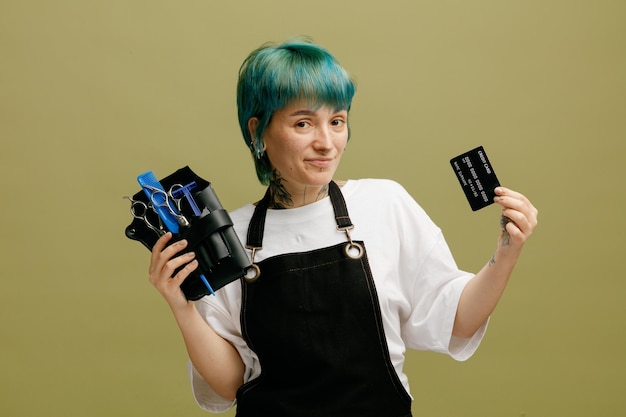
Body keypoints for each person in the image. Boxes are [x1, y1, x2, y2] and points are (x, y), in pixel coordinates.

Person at [147, 38, 538, 417]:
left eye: (337, 121)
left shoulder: (384, 204)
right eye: (303, 123)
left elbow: (458, 319)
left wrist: (506, 251)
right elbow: (232, 383)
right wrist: (183, 307)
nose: (326, 143)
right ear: (257, 132)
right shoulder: (229, 237)